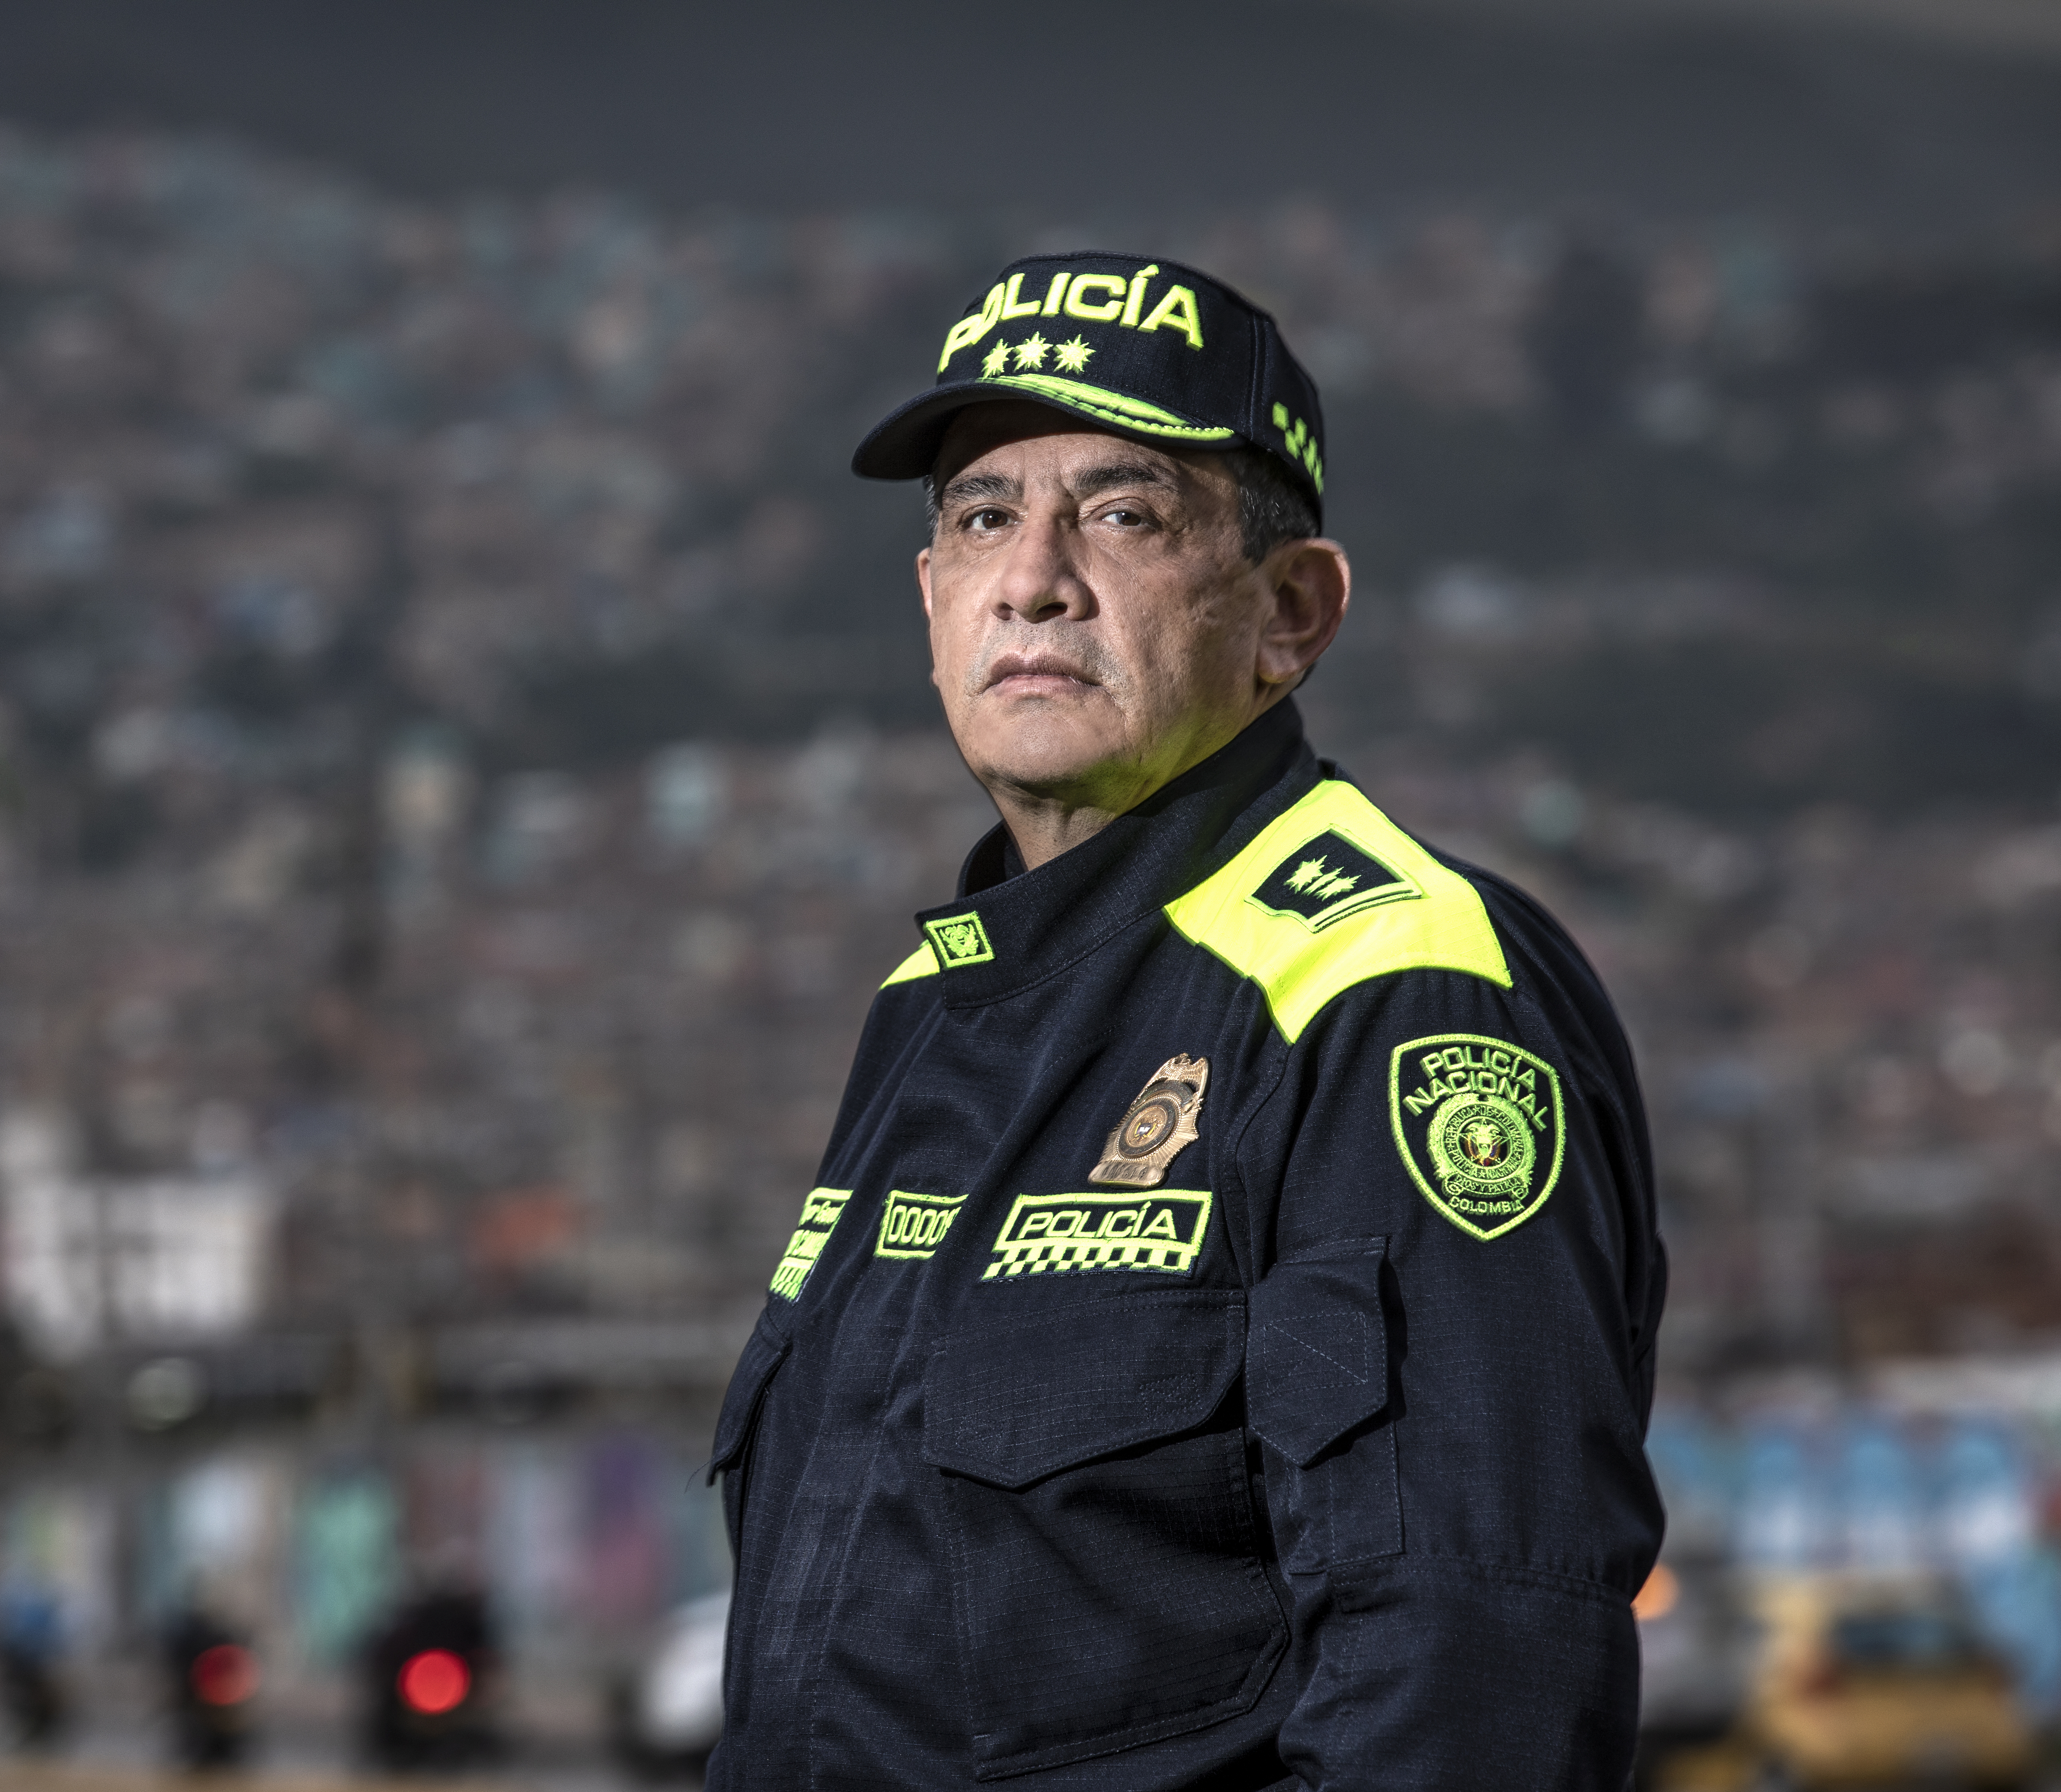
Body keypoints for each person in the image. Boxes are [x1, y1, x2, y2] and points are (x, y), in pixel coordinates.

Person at [705, 253, 1666, 1791]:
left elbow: (1470, 1668)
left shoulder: (1385, 982)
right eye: (982, 517)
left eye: (1124, 515)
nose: (1034, 578)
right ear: (932, 598)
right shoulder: (939, 1004)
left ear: (1292, 612)